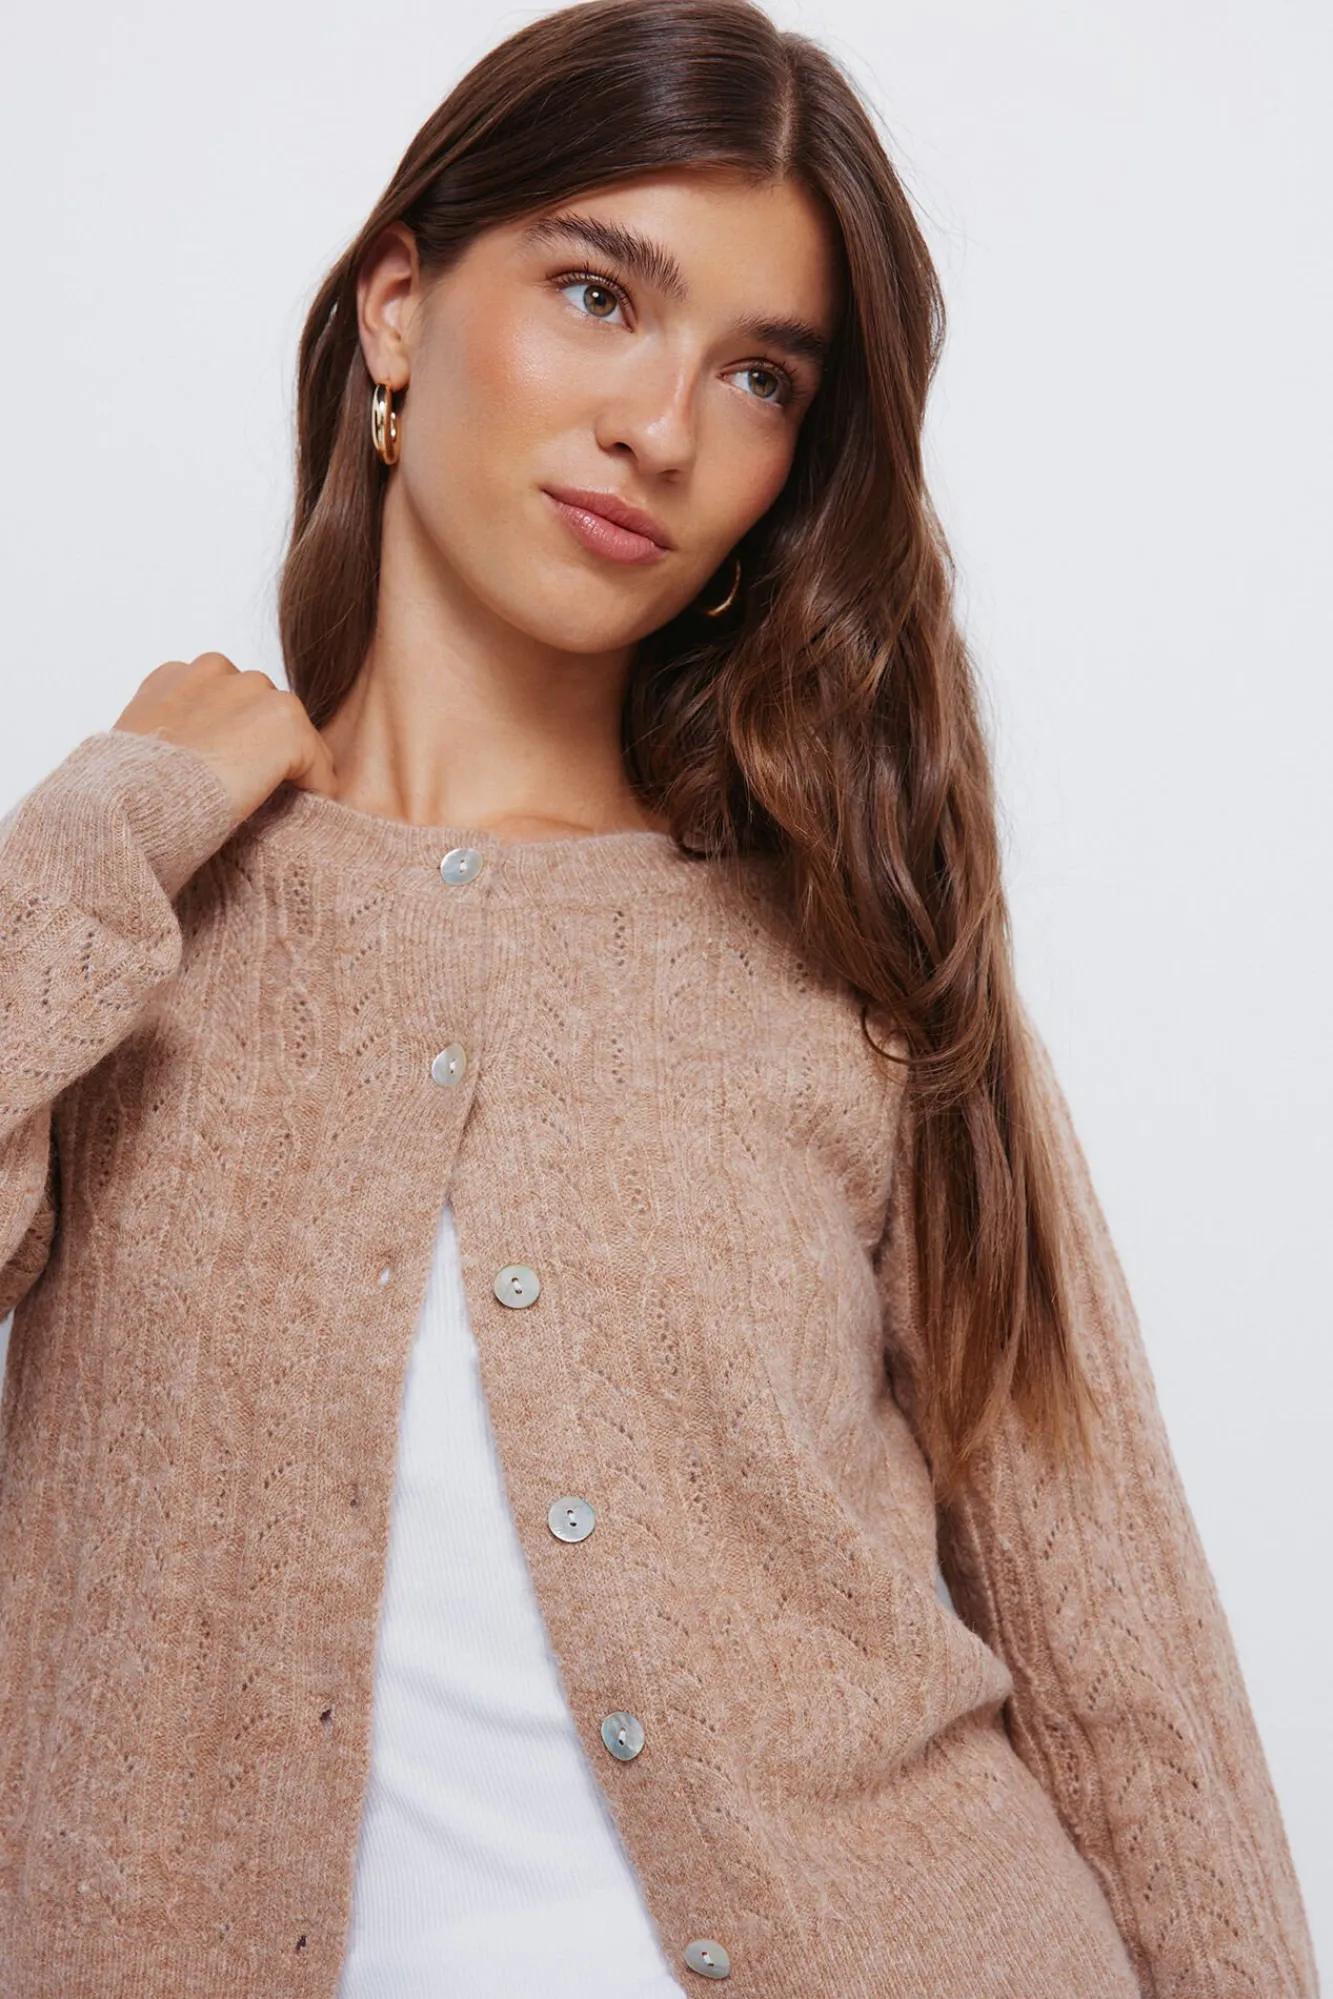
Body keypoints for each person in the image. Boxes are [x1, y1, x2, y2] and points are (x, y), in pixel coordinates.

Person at [0, 0, 1317, 1993]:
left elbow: (1122, 1655)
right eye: (599, 293)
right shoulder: (137, 915)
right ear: (396, 307)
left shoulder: (855, 960)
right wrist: (98, 835)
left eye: (760, 374)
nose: (665, 428)